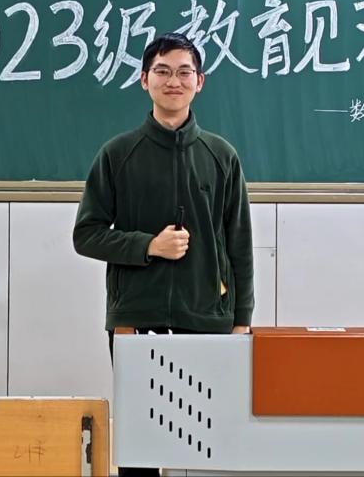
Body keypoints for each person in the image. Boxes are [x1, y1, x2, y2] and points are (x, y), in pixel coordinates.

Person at [73, 32, 254, 475]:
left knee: (208, 440)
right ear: (144, 80)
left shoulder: (221, 156)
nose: (174, 81)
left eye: (184, 72)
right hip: (137, 317)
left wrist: (242, 320)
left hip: (207, 318)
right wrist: (147, 245)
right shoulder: (118, 154)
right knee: (141, 439)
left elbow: (239, 244)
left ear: (200, 82)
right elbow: (86, 235)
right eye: (162, 71)